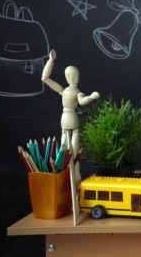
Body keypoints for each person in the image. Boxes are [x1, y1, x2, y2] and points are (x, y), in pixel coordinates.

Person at [42, 49, 100, 182]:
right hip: (70, 122)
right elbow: (82, 102)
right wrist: (91, 97)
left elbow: (45, 78)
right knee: (69, 155)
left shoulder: (67, 91)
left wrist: (51, 60)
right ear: (76, 77)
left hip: (68, 121)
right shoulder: (72, 91)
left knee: (69, 155)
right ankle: (72, 181)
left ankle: (74, 182)